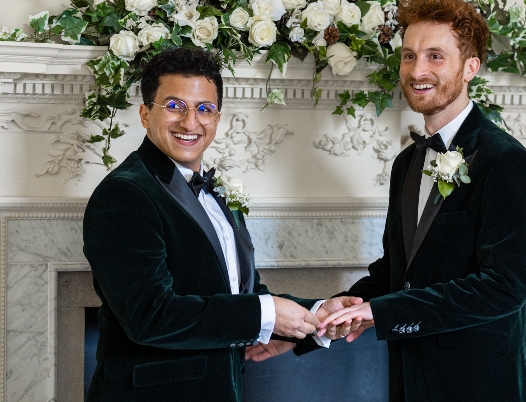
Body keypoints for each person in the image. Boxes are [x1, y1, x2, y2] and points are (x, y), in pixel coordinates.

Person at [251, 0, 526, 402]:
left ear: (470, 67)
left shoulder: (507, 161)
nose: (417, 69)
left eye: (435, 56)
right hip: (409, 382)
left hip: (480, 384)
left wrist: (382, 313)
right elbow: (394, 275)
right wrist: (309, 328)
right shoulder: (407, 163)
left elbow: (503, 287)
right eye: (409, 56)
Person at [83, 47, 360, 401]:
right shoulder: (125, 193)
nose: (190, 122)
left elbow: (241, 298)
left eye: (204, 109)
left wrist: (316, 312)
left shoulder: (219, 193)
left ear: (217, 117)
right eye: (174, 105)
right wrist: (267, 313)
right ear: (143, 113)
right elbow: (149, 315)